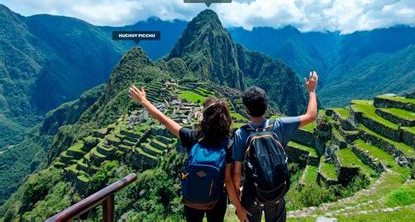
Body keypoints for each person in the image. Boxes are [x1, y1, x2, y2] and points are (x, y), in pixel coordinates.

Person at [128, 86, 250, 222]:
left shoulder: (192, 137)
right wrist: (238, 207)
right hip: (216, 199)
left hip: (192, 199)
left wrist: (144, 100)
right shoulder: (228, 144)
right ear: (225, 120)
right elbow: (227, 181)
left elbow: (163, 119)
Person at [231, 71, 319, 222]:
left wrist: (238, 205)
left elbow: (236, 175)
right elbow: (311, 115)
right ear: (266, 105)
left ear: (246, 109)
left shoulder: (241, 134)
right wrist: (311, 91)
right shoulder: (279, 126)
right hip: (276, 193)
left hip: (252, 196)